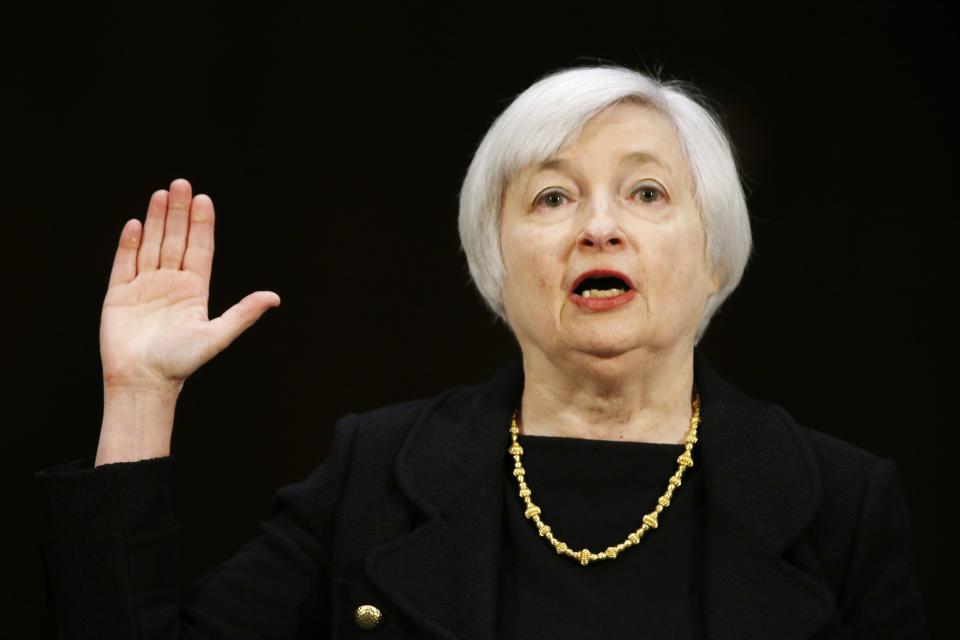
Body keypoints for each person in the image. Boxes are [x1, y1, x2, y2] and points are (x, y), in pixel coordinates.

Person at [34, 64, 928, 639]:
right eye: (551, 199)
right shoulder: (374, 475)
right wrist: (140, 395)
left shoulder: (841, 506)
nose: (600, 228)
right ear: (495, 265)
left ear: (714, 256)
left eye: (647, 191)